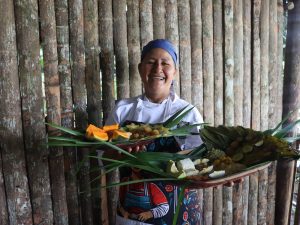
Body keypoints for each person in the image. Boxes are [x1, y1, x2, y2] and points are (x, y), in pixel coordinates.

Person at [106, 39, 203, 225]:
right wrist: (120, 152)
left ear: (175, 72)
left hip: (180, 215)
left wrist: (223, 176)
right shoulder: (122, 110)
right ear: (141, 68)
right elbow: (103, 157)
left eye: (165, 63)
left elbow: (201, 162)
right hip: (131, 216)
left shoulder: (188, 113)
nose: (158, 68)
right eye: (151, 62)